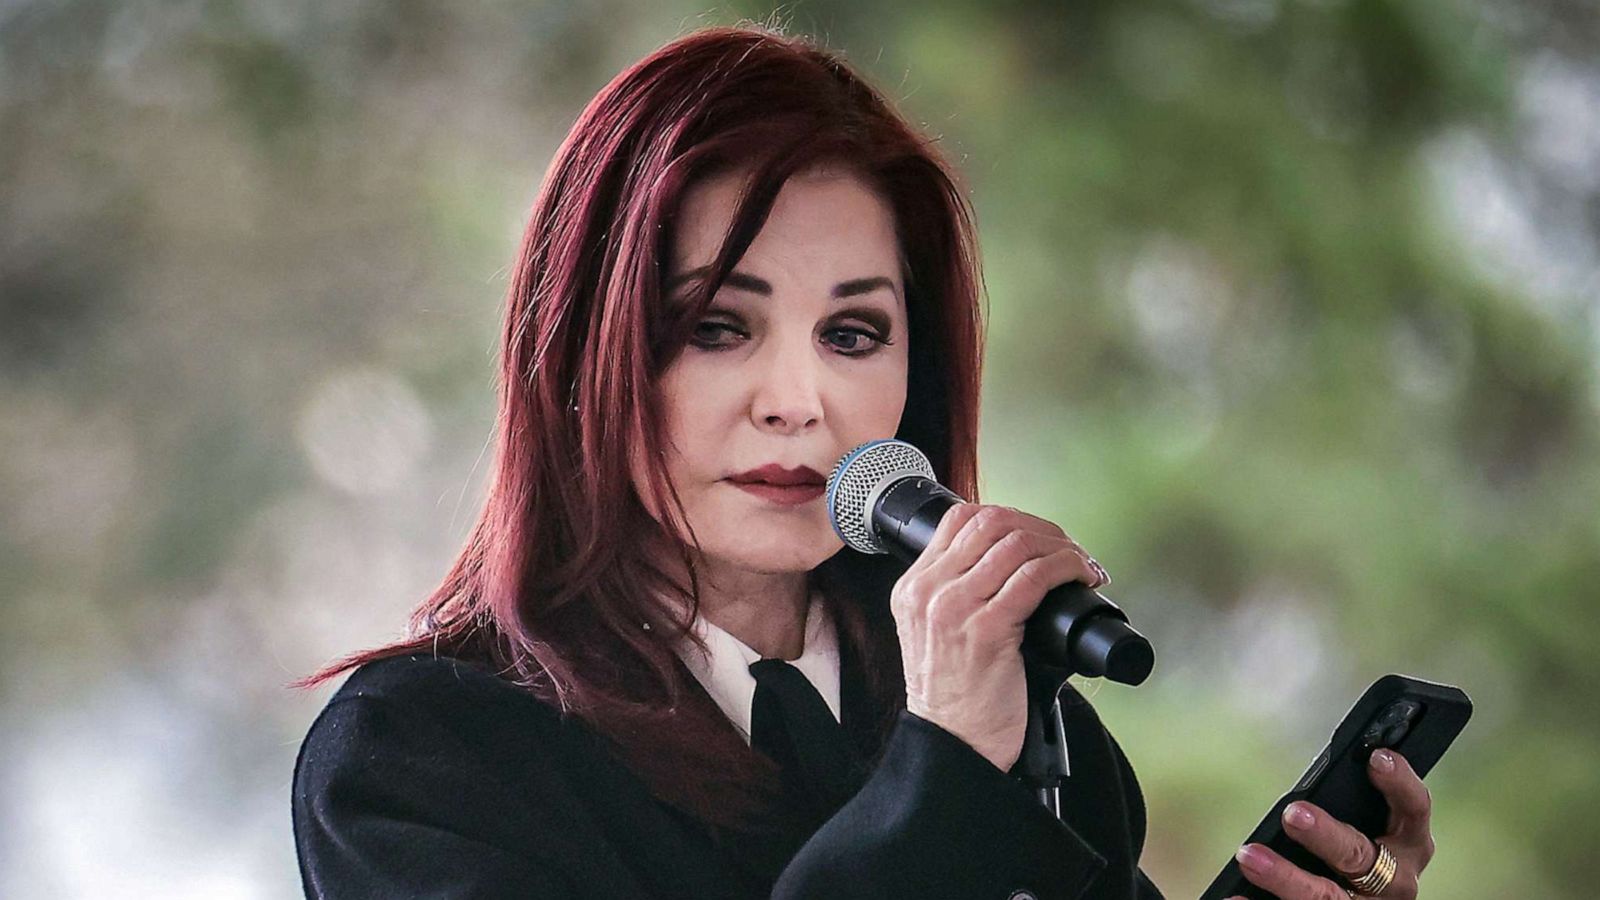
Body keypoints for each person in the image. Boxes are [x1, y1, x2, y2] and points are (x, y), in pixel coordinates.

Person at [290, 24, 1438, 900]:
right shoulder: (420, 754)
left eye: (852, 335)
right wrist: (942, 773)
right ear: (585, 353)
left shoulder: (1018, 718)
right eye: (715, 327)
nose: (798, 403)